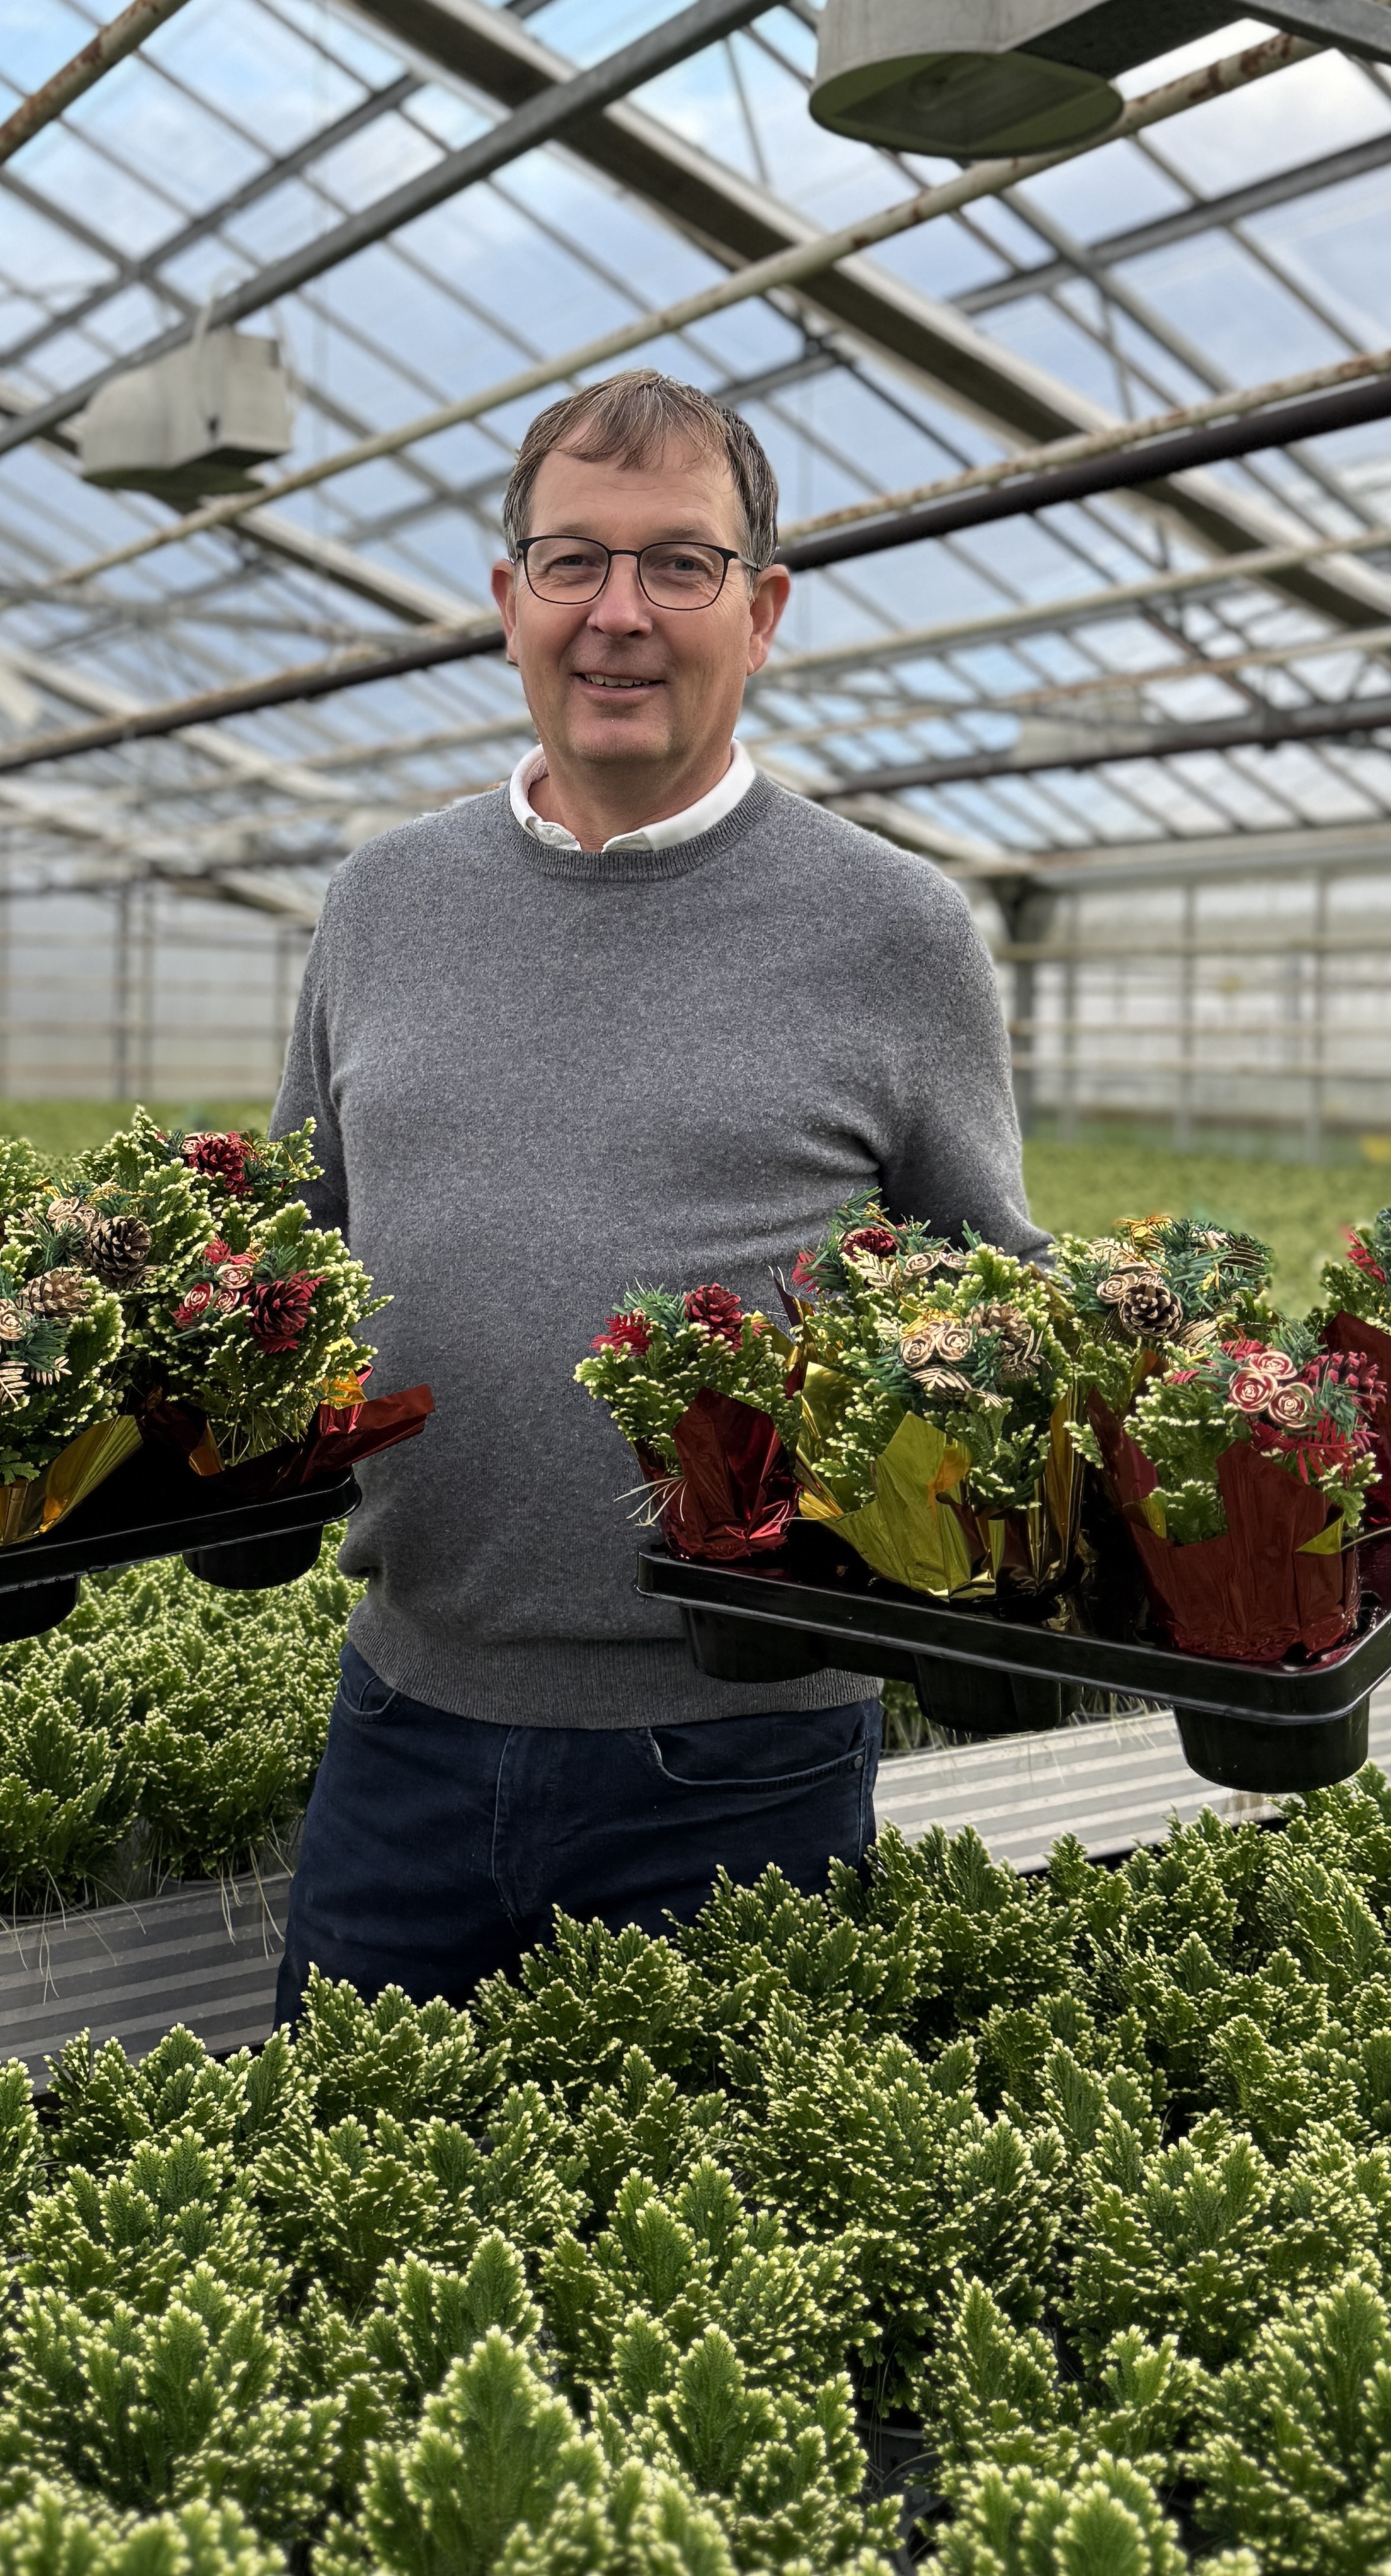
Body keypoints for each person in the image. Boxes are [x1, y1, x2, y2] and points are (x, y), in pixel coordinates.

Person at [270, 369, 1048, 2016]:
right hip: (403, 1731)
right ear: (509, 602)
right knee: (333, 2167)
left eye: (680, 565)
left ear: (760, 614)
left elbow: (994, 1302)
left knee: (712, 2181)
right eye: (574, 561)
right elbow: (289, 1270)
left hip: (744, 1762)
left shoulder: (892, 928)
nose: (617, 614)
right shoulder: (380, 906)